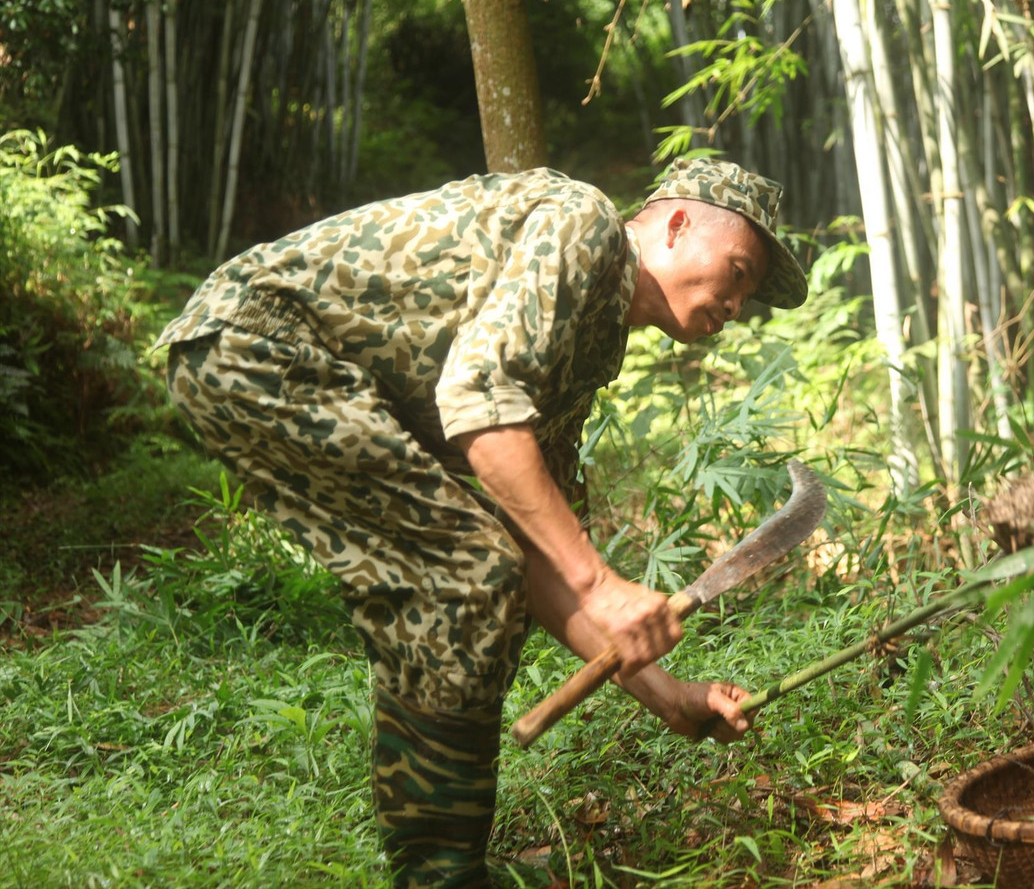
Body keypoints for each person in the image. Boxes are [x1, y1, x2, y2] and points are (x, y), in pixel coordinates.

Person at [155, 157, 809, 886]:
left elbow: (539, 555)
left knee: (477, 571)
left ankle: (442, 868)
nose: (739, 305)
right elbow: (477, 400)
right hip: (256, 342)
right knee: (466, 575)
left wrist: (671, 697)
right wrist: (602, 583)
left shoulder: (588, 343)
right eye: (740, 272)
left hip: (278, 364)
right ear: (680, 224)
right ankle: (443, 875)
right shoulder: (585, 225)